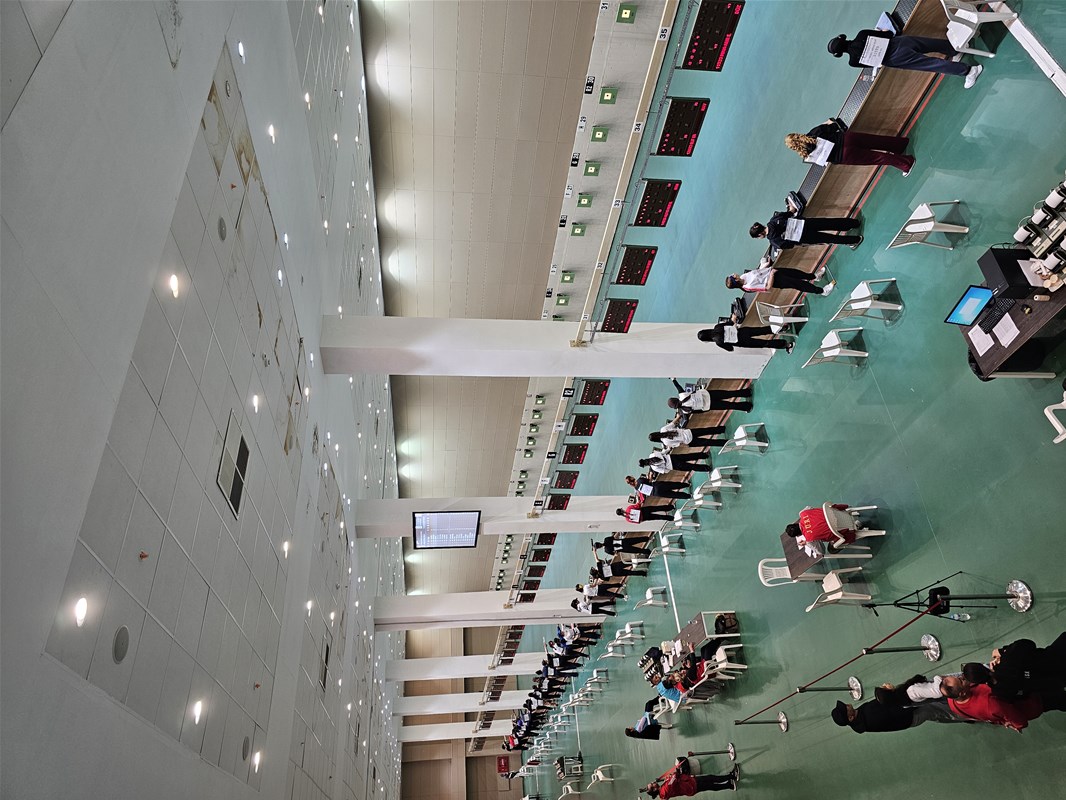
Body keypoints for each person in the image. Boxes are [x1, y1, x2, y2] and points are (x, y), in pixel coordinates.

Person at [827, 30, 982, 87]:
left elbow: (876, 63)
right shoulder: (862, 34)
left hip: (896, 58)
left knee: (931, 64)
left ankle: (969, 71)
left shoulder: (853, 61)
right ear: (842, 38)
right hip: (900, 42)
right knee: (930, 44)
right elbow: (888, 34)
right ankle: (954, 50)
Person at [785, 117, 913, 175]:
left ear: (794, 148)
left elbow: (825, 161)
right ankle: (901, 145)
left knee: (877, 158)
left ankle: (906, 163)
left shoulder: (807, 157)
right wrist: (827, 123)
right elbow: (834, 126)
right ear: (797, 134)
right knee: (877, 141)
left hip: (845, 156)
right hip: (847, 138)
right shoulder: (814, 132)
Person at [941, 674, 1044, 731]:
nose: (962, 676)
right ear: (962, 693)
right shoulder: (989, 704)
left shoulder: (952, 702)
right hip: (1034, 701)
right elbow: (1020, 722)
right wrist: (1018, 725)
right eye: (961, 680)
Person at [749, 208, 863, 250]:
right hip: (806, 223)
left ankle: (855, 240)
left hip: (805, 237)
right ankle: (854, 223)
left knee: (830, 238)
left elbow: (790, 246)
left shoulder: (774, 242)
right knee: (829, 223)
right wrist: (791, 207)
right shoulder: (774, 219)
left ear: (759, 235)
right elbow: (791, 212)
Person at [725, 258, 836, 297]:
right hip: (777, 280)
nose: (734, 274)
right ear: (736, 280)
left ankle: (815, 276)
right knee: (799, 284)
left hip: (774, 271)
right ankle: (822, 291)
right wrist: (772, 275)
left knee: (797, 273)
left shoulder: (743, 276)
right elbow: (767, 288)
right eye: (733, 276)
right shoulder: (748, 287)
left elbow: (758, 272)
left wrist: (766, 264)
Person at [643, 757, 740, 797]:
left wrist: (666, 778)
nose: (653, 782)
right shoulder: (665, 790)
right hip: (691, 785)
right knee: (711, 781)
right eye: (652, 785)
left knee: (711, 783)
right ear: (654, 789)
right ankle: (732, 776)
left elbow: (671, 780)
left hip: (689, 784)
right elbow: (674, 778)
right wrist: (677, 770)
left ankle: (729, 784)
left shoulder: (663, 790)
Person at [784, 503, 856, 551]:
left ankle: (857, 527)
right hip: (840, 512)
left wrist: (807, 543)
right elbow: (809, 507)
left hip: (847, 529)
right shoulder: (803, 513)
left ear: (798, 535)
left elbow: (821, 551)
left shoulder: (810, 539)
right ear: (795, 523)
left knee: (831, 549)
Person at [697, 321, 793, 352]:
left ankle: (787, 345)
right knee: (763, 330)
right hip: (743, 331)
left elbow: (730, 349)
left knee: (765, 343)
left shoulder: (718, 342)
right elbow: (731, 323)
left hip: (743, 342)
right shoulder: (717, 327)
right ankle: (783, 327)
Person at [669, 380, 753, 413]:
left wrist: (706, 409)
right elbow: (678, 387)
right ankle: (747, 392)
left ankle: (747, 407)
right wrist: (673, 380)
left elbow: (698, 412)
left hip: (709, 406)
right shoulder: (682, 396)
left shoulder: (684, 410)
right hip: (708, 394)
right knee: (729, 394)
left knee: (729, 405)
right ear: (675, 399)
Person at [650, 422, 730, 449]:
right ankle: (721, 429)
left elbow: (678, 444)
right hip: (689, 432)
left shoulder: (666, 442)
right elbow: (673, 423)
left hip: (689, 441)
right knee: (706, 430)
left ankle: (725, 443)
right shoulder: (663, 429)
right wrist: (678, 416)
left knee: (709, 442)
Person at [627, 475, 692, 502]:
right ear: (632, 478)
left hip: (656, 493)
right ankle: (687, 485)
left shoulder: (637, 489)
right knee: (673, 485)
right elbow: (649, 480)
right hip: (657, 486)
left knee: (673, 494)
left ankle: (688, 496)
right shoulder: (639, 480)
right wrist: (649, 476)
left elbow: (643, 495)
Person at [639, 452, 712, 475]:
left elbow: (665, 471)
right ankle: (705, 455)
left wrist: (668, 467)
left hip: (673, 465)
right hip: (672, 457)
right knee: (690, 456)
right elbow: (663, 452)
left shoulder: (654, 467)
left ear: (646, 465)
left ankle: (707, 468)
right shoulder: (652, 455)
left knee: (691, 466)